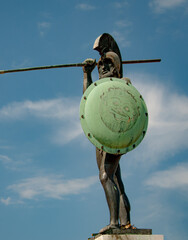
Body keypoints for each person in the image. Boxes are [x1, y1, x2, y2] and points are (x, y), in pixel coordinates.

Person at [82, 49, 132, 233]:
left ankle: (114, 224)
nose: (103, 67)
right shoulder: (99, 88)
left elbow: (129, 100)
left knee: (105, 176)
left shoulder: (122, 83)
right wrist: (87, 74)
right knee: (115, 179)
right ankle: (125, 222)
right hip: (102, 138)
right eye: (101, 64)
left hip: (116, 134)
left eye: (108, 63)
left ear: (117, 67)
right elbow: (87, 100)